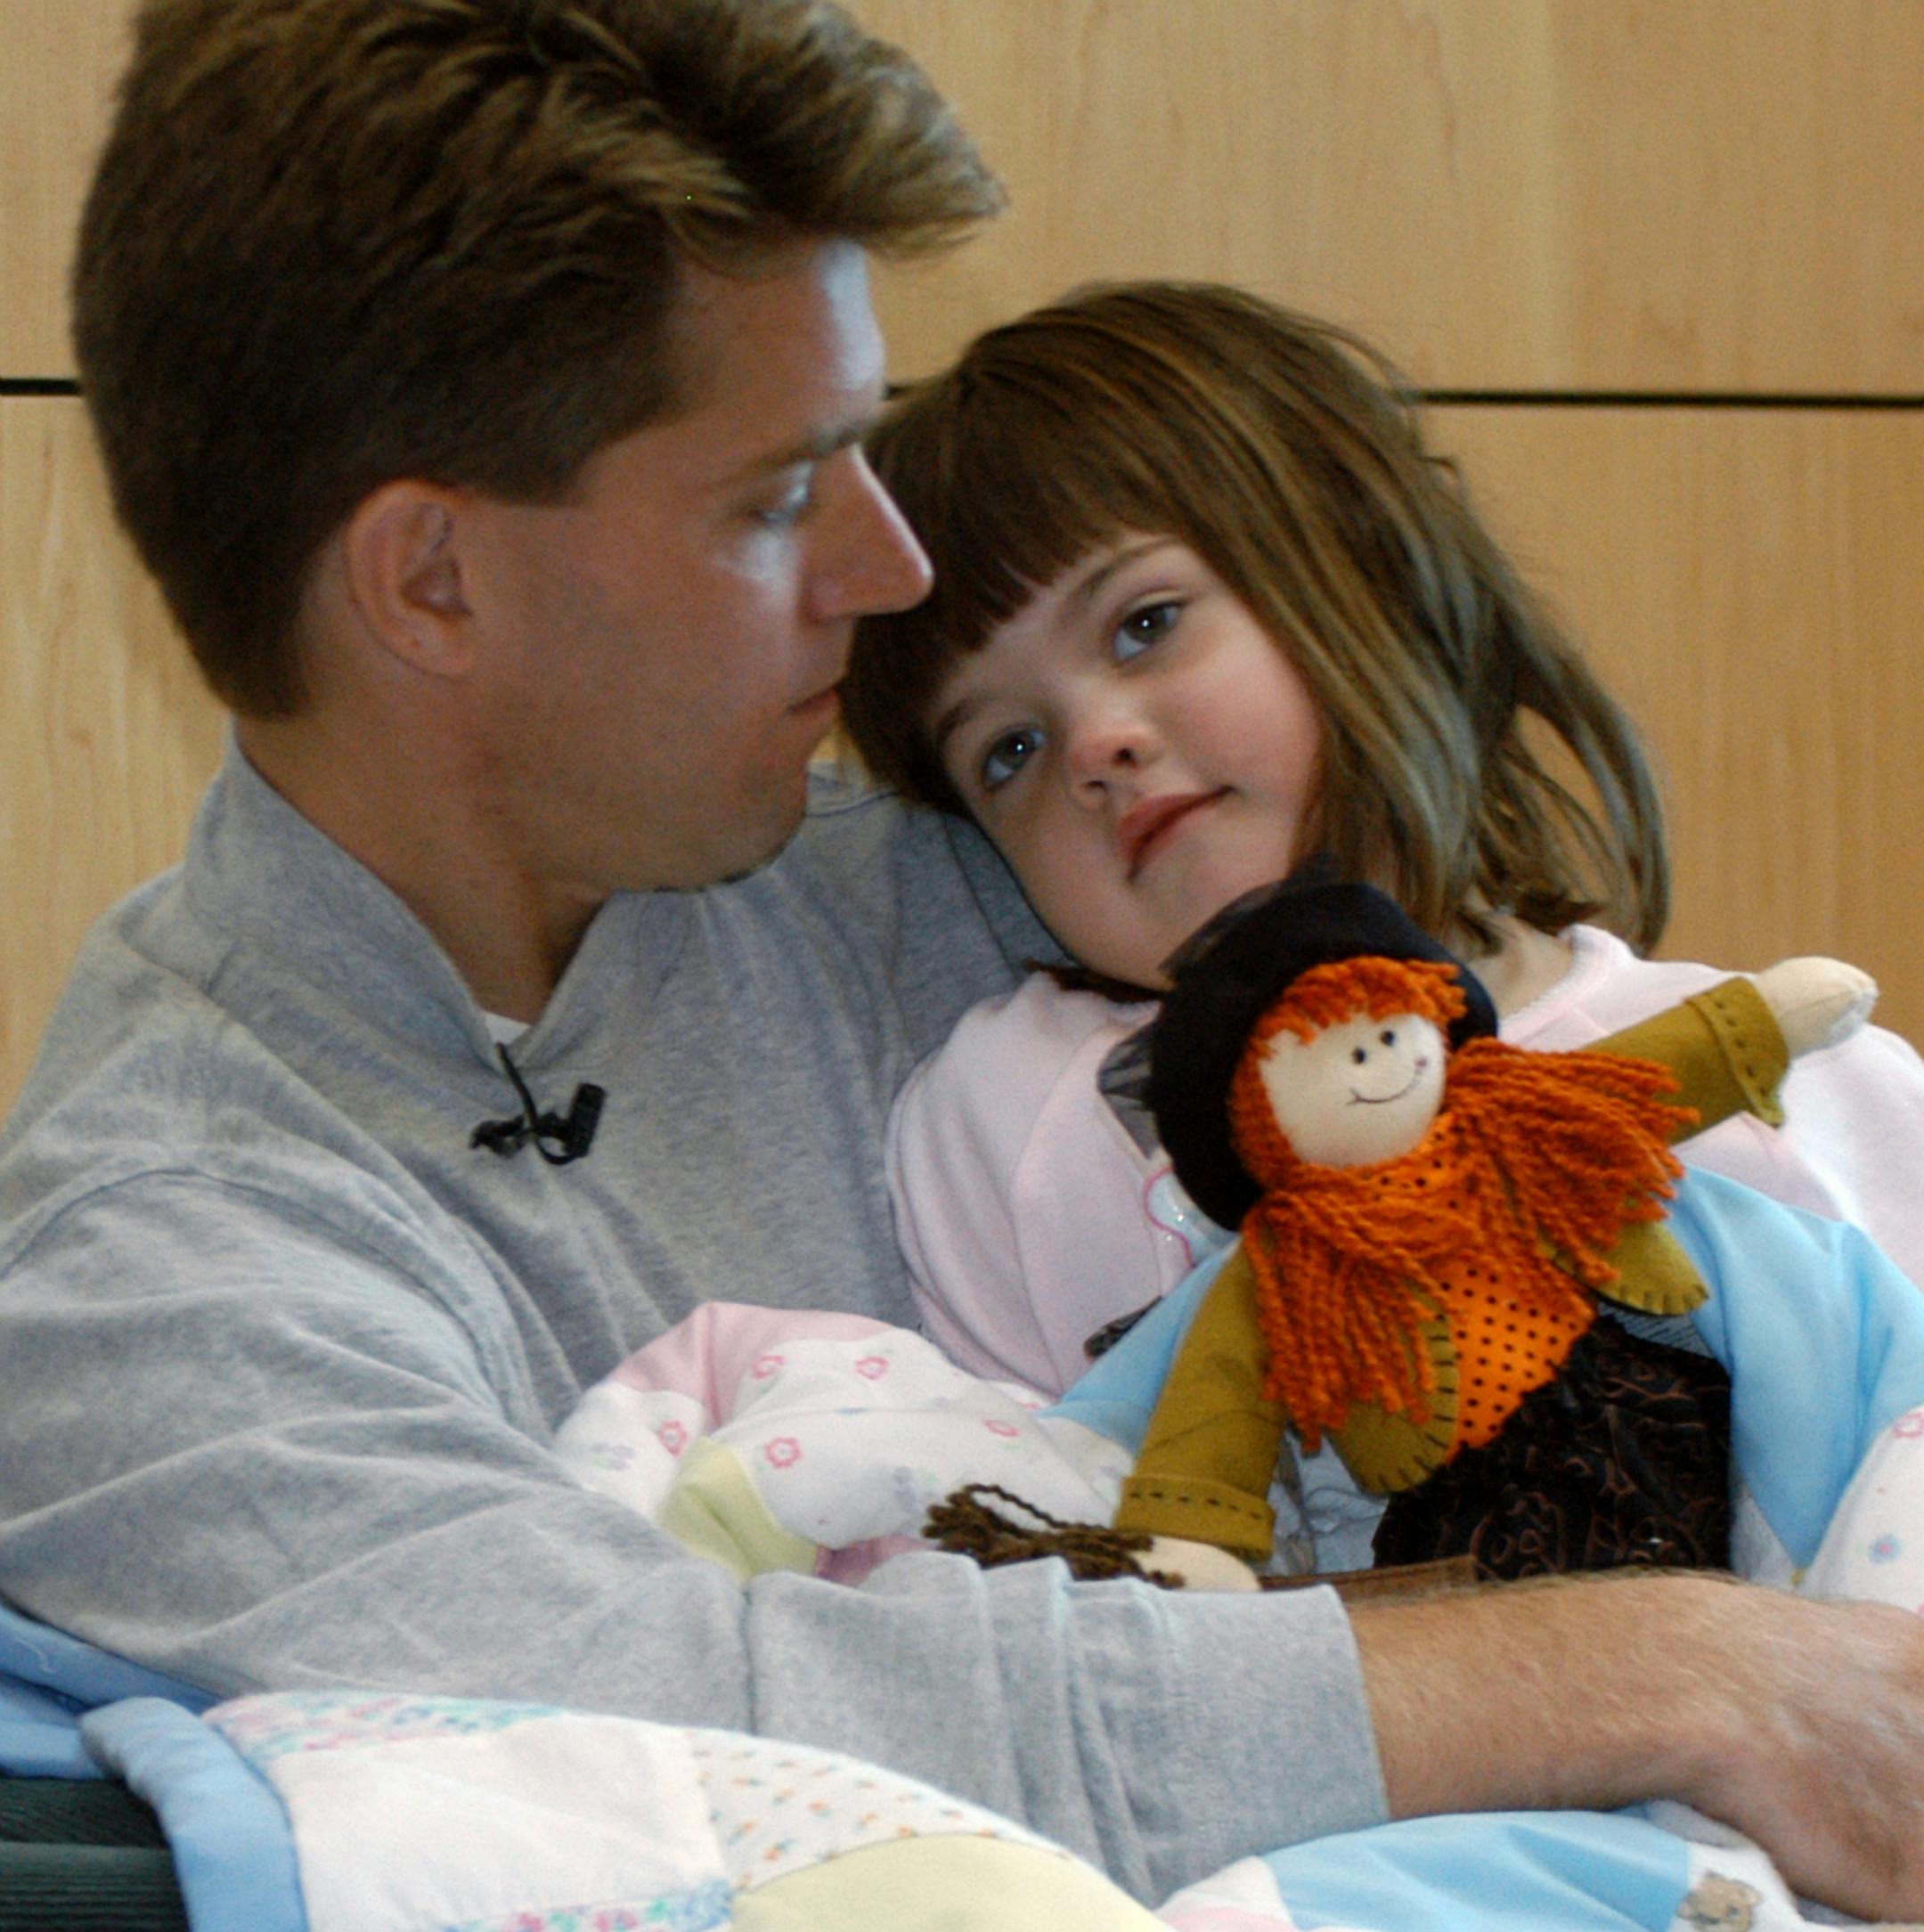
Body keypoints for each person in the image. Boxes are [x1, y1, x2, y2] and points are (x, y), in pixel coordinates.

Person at [1, 4, 1922, 1920]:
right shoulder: (161, 1270)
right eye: (780, 493)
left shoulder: (977, 874)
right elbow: (700, 1742)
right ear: (431, 580)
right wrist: (1662, 1670)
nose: (892, 564)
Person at [841, 281, 1924, 1400]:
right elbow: (1012, 1540)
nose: (1092, 746)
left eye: (1145, 624)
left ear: (1373, 564)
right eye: (1007, 750)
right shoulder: (1005, 1125)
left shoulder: (1807, 1088)